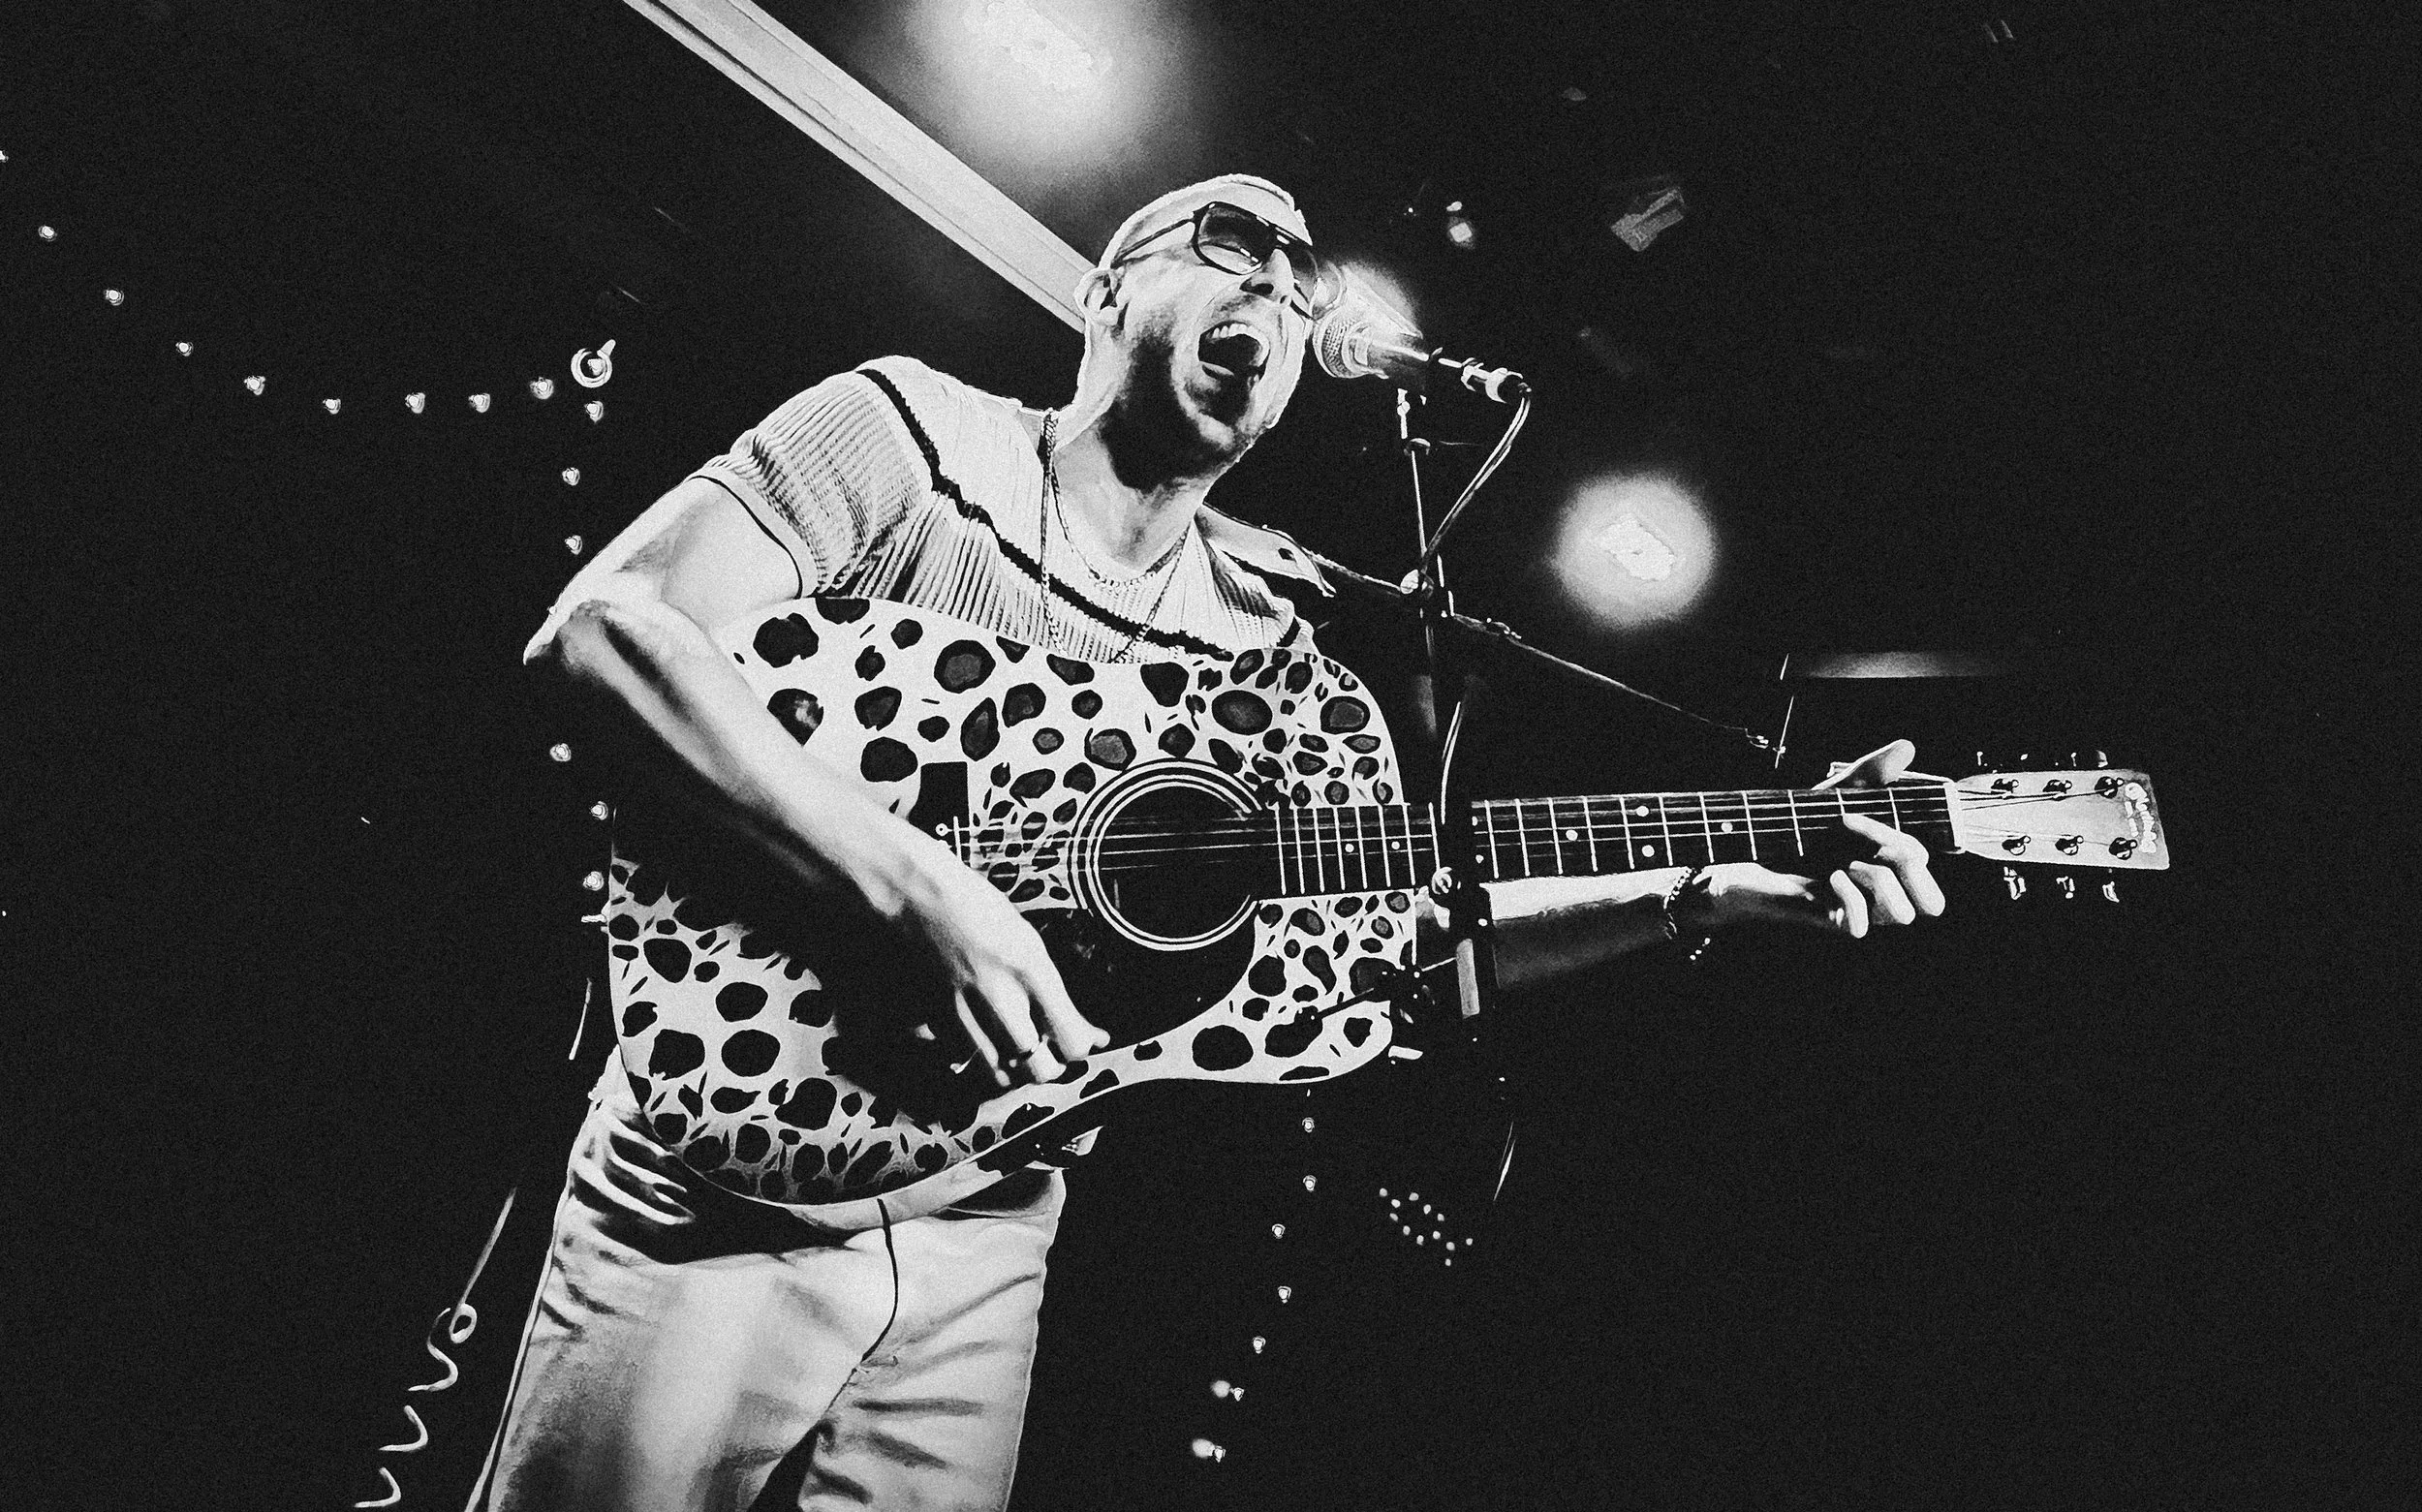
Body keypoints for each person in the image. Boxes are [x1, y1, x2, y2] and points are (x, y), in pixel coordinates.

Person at [473, 173, 1944, 1511]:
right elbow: (609, 635)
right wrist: (918, 889)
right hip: (727, 1168)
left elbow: (1406, 956)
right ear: (1101, 291)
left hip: (993, 1221)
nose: (1278, 302)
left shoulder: (1271, 661)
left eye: (1307, 299)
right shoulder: (910, 433)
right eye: (1234, 252)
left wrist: (1705, 889)